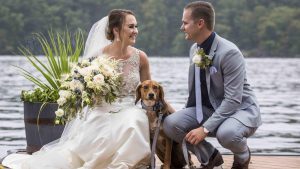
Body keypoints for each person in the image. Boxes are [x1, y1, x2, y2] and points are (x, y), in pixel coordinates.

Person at [2, 9, 152, 169]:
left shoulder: (140, 57)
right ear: (116, 30)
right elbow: (82, 89)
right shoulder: (97, 57)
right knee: (98, 127)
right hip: (101, 109)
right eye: (131, 27)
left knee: (133, 121)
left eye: (136, 26)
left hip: (129, 109)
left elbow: (150, 91)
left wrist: (161, 111)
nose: (136, 31)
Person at [163, 1, 262, 169]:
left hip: (239, 110)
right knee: (171, 124)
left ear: (200, 23)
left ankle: (243, 157)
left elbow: (232, 100)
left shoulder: (229, 53)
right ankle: (210, 157)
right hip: (209, 109)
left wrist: (205, 129)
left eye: (185, 23)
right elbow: (196, 91)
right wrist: (186, 120)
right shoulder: (194, 49)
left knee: (227, 134)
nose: (182, 27)